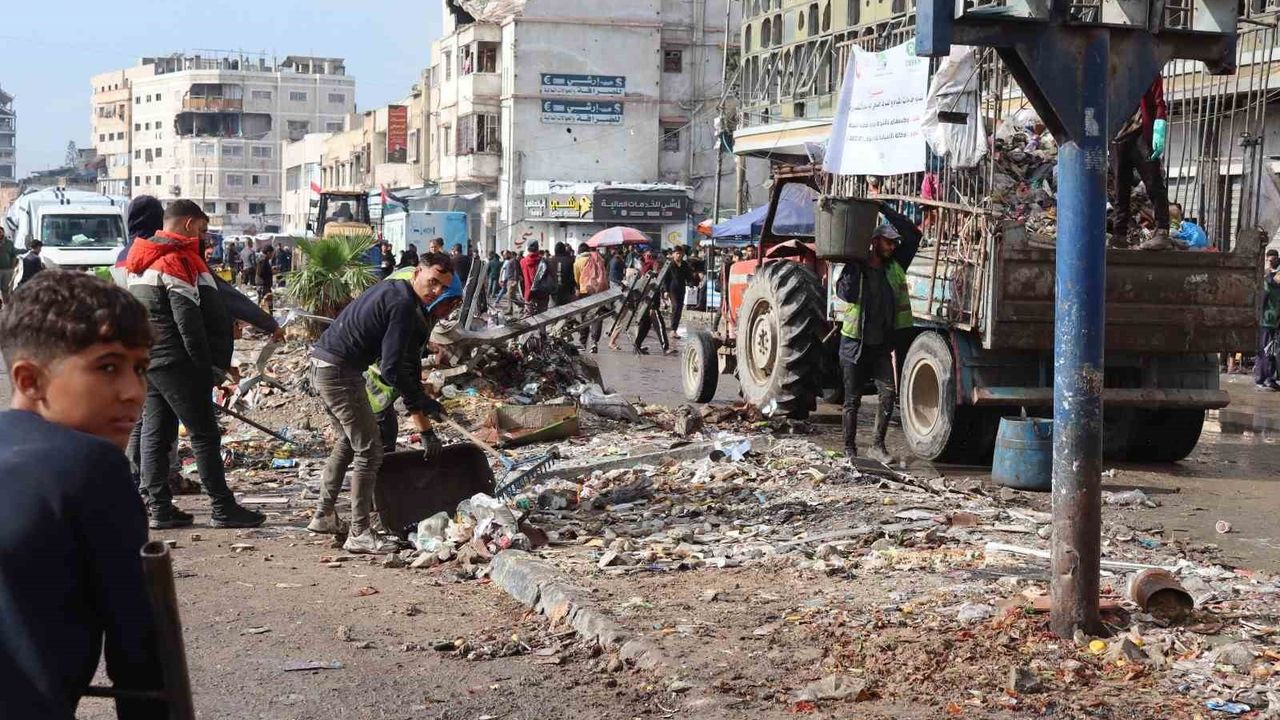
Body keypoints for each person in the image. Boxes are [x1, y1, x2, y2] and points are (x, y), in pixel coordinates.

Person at [0, 271, 166, 719]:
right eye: (107, 367)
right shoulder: (90, 467)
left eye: (140, 368)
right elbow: (140, 652)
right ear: (30, 380)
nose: (133, 393)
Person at [126, 200, 264, 529]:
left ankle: (158, 508)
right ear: (189, 224)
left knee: (156, 434)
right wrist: (206, 368)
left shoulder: (143, 259)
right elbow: (187, 322)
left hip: (154, 360)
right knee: (204, 434)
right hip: (178, 362)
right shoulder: (175, 261)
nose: (203, 237)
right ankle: (222, 507)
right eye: (202, 229)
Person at [309, 252, 454, 553]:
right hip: (339, 372)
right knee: (370, 450)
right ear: (418, 272)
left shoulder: (396, 291)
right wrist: (421, 401)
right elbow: (391, 369)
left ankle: (324, 514)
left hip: (323, 364)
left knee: (348, 443)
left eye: (443, 288)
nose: (436, 291)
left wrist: (422, 406)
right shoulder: (403, 305)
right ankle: (359, 532)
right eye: (433, 282)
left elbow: (406, 365)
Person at [836, 203, 923, 465]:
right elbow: (846, 294)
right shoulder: (857, 267)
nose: (893, 247)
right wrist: (853, 262)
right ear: (874, 242)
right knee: (852, 400)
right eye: (888, 242)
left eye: (894, 243)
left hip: (881, 345)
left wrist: (883, 207)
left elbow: (913, 234)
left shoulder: (895, 266)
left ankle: (877, 446)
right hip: (854, 344)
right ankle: (849, 449)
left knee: (887, 394)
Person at [371, 271, 464, 452]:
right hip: (374, 383)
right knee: (380, 440)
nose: (449, 312)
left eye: (456, 305)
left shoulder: (424, 310)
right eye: (450, 303)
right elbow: (404, 375)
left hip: (387, 377)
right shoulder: (409, 315)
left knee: (378, 438)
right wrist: (426, 431)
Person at [1113, 77, 1171, 250]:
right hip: (1117, 136)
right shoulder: (1107, 68)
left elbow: (1158, 100)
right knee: (1120, 187)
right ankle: (1119, 234)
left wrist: (1159, 124)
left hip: (1141, 133)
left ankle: (1162, 231)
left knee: (1153, 181)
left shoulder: (1146, 66)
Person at [575, 243, 608, 352]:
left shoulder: (578, 261)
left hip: (585, 291)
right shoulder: (599, 259)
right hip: (598, 291)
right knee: (597, 316)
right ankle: (594, 342)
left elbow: (576, 278)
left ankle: (583, 343)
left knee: (585, 317)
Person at [1256, 249, 1280, 391]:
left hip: (1273, 321)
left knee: (1270, 351)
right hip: (1266, 321)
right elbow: (1262, 302)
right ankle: (1262, 378)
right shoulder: (1267, 283)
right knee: (1265, 350)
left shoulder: (1274, 284)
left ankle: (1269, 378)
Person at [664, 245, 698, 339]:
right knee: (675, 307)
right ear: (673, 254)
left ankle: (675, 330)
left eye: (680, 253)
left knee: (679, 309)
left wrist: (691, 284)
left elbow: (689, 276)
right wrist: (665, 290)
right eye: (677, 253)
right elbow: (665, 279)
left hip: (681, 289)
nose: (679, 255)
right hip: (672, 289)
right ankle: (672, 330)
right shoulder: (669, 264)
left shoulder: (684, 264)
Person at [521, 241, 552, 314]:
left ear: (527, 249)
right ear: (538, 249)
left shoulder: (522, 261)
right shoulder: (544, 261)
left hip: (529, 293)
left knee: (530, 317)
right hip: (542, 292)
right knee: (543, 315)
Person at [550, 242, 577, 308]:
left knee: (554, 311)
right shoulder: (570, 260)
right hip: (567, 290)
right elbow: (573, 276)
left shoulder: (550, 261)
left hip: (553, 291)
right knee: (567, 310)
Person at [0, 223, 16, 305]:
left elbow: (13, 255)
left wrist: (12, 268)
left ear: (3, 233)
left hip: (7, 270)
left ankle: (6, 306)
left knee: (5, 290)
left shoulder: (9, 243)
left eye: (1, 232)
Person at [256, 245, 275, 313]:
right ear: (268, 253)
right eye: (272, 253)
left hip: (264, 286)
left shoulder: (265, 260)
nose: (272, 255)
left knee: (267, 305)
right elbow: (260, 273)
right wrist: (270, 272)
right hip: (263, 286)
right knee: (264, 306)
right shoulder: (263, 260)